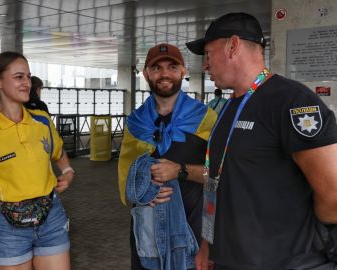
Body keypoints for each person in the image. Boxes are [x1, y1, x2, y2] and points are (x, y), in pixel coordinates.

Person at [186, 12, 337, 270]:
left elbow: (333, 195)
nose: (205, 66)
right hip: (229, 260)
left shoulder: (293, 101)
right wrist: (208, 244)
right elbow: (216, 179)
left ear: (233, 46)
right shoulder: (228, 108)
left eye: (208, 55)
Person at [0, 51, 74, 270]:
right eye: (19, 77)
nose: (27, 83)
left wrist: (68, 171)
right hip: (5, 227)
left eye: (28, 77)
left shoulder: (42, 120)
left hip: (51, 217)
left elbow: (57, 152)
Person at [118, 43, 217, 269]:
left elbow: (220, 175)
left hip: (193, 230)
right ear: (146, 74)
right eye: (156, 68)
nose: (164, 74)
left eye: (172, 67)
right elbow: (126, 177)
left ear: (183, 72)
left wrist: (180, 170)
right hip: (147, 231)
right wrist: (143, 193)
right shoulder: (135, 122)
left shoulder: (206, 118)